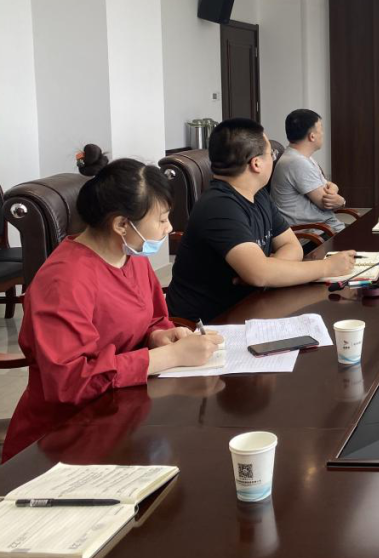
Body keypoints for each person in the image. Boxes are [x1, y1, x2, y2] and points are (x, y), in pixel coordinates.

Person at [2, 159, 224, 462]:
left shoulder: (131, 257)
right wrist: (170, 357)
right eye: (162, 220)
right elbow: (70, 381)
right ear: (121, 224)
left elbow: (152, 318)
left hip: (123, 412)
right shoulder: (64, 281)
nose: (169, 228)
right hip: (65, 435)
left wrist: (160, 336)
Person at [166, 118, 355, 323]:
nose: (273, 159)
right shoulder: (219, 206)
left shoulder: (258, 194)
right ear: (256, 164)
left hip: (252, 305)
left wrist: (268, 269)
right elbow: (260, 274)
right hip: (208, 324)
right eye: (270, 154)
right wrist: (327, 267)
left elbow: (291, 246)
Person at [271, 109, 347, 234]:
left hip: (323, 227)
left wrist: (334, 189)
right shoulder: (297, 162)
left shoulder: (302, 157)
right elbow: (326, 203)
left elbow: (328, 185)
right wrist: (341, 201)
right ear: (312, 136)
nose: (323, 133)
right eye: (321, 129)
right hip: (316, 233)